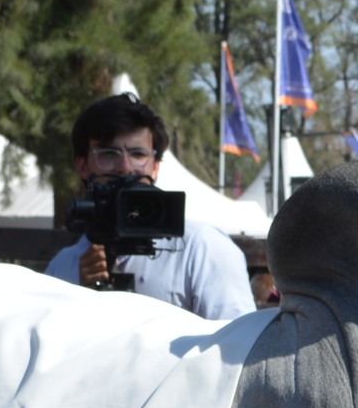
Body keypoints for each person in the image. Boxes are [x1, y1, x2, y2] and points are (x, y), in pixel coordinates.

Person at [45, 93, 256, 321]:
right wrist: (76, 297)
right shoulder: (64, 266)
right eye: (108, 154)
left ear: (155, 166)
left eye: (138, 154)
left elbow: (236, 345)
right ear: (83, 166)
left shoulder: (201, 249)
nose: (125, 168)